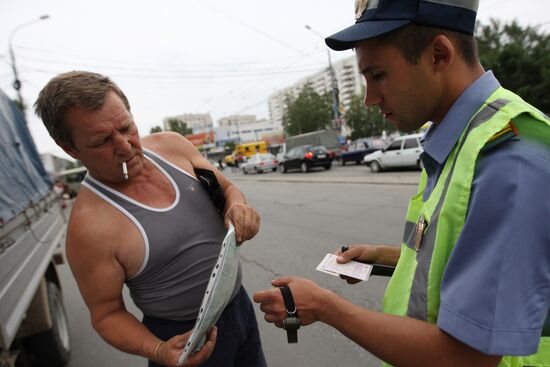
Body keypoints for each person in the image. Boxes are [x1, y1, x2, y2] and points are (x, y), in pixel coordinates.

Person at [254, 1, 550, 366]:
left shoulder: (507, 153)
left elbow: (468, 358)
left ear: (439, 55)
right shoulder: (460, 138)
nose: (369, 98)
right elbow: (466, 259)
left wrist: (326, 306)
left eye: (377, 75)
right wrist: (383, 257)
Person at [35, 71, 267, 367]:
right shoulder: (89, 227)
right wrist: (159, 350)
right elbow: (106, 314)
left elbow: (228, 189)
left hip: (239, 307)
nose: (124, 146)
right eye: (102, 141)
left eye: (126, 127)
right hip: (182, 338)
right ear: (69, 148)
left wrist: (239, 209)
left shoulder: (172, 145)